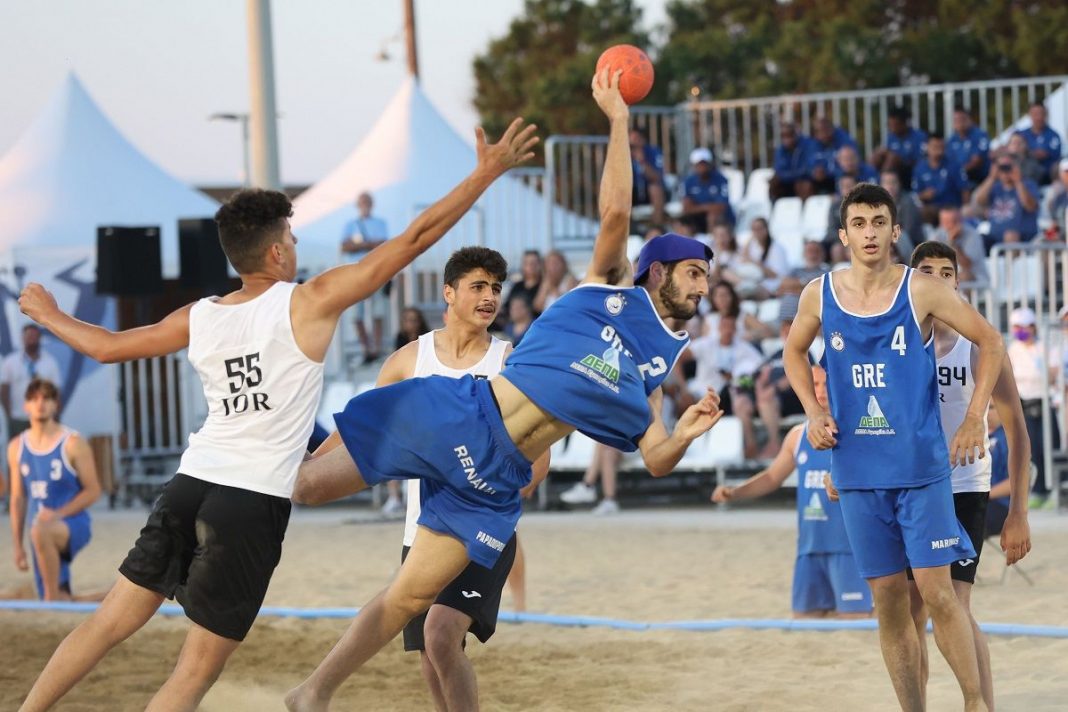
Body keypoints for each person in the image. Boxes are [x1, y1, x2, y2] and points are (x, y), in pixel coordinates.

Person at [14, 117, 538, 712]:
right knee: (192, 672)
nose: (293, 242)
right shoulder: (309, 302)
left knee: (106, 624)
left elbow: (106, 346)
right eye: (289, 234)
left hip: (188, 485)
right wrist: (485, 173)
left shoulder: (202, 314)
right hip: (249, 501)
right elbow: (416, 238)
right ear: (276, 250)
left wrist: (47, 313)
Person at [284, 70, 725, 711]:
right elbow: (615, 211)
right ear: (657, 271)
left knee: (418, 607)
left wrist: (682, 436)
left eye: (706, 277)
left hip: (495, 485)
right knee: (304, 487)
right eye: (693, 273)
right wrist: (620, 120)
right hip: (464, 417)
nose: (703, 286)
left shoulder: (655, 366)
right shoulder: (605, 290)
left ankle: (310, 693)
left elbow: (654, 457)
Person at [784, 181, 1009, 712]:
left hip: (920, 470)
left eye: (878, 223)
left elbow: (991, 340)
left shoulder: (922, 290)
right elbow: (793, 352)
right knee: (888, 605)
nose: (869, 233)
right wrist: (813, 412)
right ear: (843, 234)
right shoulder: (819, 293)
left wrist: (975, 416)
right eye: (858, 224)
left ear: (894, 230)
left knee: (939, 594)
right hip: (859, 473)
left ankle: (975, 703)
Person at [376, 246, 548, 712]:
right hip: (422, 530)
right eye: (478, 286)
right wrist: (310, 462)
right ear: (448, 293)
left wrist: (497, 491)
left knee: (440, 635)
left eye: (495, 288)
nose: (490, 296)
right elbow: (365, 429)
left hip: (480, 530)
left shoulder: (510, 363)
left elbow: (539, 459)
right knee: (430, 656)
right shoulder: (409, 361)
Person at [906, 241, 1032, 710]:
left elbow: (1019, 431)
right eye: (926, 270)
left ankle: (981, 705)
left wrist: (1018, 512)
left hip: (963, 484)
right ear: (912, 278)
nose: (937, 279)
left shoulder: (980, 346)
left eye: (946, 271)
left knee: (955, 605)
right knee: (910, 612)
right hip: (910, 483)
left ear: (958, 282)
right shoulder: (901, 340)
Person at [713, 365, 873, 619]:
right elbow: (772, 477)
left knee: (855, 622)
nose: (820, 392)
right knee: (805, 622)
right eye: (815, 385)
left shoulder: (863, 432)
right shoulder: (798, 435)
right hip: (809, 549)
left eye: (825, 384)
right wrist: (735, 492)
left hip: (850, 549)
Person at [8, 378, 100, 601]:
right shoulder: (16, 447)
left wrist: (57, 515)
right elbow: (18, 498)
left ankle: (50, 603)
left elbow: (94, 491)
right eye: (34, 398)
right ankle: (109, 597)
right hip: (39, 529)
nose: (40, 403)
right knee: (63, 596)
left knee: (41, 530)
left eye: (47, 398)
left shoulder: (73, 442)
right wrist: (18, 547)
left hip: (72, 523)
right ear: (26, 406)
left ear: (55, 404)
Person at [1006, 306, 1061, 507]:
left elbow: (1053, 374)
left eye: (1025, 326)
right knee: (1031, 449)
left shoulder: (1044, 347)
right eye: (1017, 327)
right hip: (1024, 404)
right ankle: (1037, 491)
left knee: (1050, 445)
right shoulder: (1012, 349)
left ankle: (1053, 489)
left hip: (1044, 403)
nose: (1022, 331)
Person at [340, 191, 391, 363]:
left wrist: (359, 245)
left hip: (375, 270)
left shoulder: (380, 223)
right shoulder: (350, 224)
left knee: (377, 311)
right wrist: (369, 244)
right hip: (357, 272)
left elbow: (383, 244)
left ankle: (375, 347)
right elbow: (345, 246)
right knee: (356, 314)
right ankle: (366, 347)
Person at [0, 324, 62, 436]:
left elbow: (56, 392)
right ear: (23, 338)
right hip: (18, 418)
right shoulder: (11, 362)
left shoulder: (50, 362)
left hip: (44, 417)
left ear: (39, 338)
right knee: (18, 451)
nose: (32, 339)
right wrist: (9, 415)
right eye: (29, 336)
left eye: (35, 336)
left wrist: (55, 416)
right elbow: (4, 391)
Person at [972, 155, 1040, 249]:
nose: (1005, 171)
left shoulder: (1028, 185)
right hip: (994, 238)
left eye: (1008, 167)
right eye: (1001, 167)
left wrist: (1018, 181)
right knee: (975, 239)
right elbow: (980, 200)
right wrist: (991, 177)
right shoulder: (994, 187)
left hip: (1022, 238)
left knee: (1010, 236)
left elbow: (1030, 206)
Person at [912, 133, 969, 224]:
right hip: (929, 209)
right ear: (927, 147)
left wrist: (963, 210)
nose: (939, 150)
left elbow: (964, 190)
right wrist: (924, 195)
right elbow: (916, 195)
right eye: (935, 146)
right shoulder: (920, 168)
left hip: (951, 209)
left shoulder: (954, 166)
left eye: (941, 146)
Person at [681, 147, 735, 234]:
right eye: (699, 164)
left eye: (704, 164)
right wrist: (707, 207)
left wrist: (697, 207)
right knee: (682, 221)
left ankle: (711, 243)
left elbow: (721, 207)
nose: (702, 167)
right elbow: (686, 208)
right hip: (698, 218)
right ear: (694, 165)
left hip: (722, 218)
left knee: (712, 216)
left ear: (710, 164)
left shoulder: (720, 179)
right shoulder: (688, 181)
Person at [871, 106, 927, 186]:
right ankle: (871, 183)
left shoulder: (919, 136)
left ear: (904, 124)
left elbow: (921, 160)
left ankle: (882, 186)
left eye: (895, 125)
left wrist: (899, 159)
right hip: (894, 171)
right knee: (876, 155)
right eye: (889, 125)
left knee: (892, 158)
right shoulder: (891, 137)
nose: (892, 128)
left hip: (910, 171)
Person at [931, 206, 988, 284]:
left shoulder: (972, 235)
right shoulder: (937, 235)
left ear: (960, 221)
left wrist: (952, 243)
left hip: (976, 279)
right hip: (946, 276)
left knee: (963, 277)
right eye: (945, 222)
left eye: (953, 221)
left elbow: (967, 265)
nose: (948, 225)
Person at [1014, 102, 1063, 185]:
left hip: (1046, 176)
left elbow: (1045, 154)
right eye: (1035, 114)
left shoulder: (1053, 135)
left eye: (1041, 113)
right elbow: (1011, 148)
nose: (1038, 117)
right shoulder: (1021, 133)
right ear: (1029, 115)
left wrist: (1026, 151)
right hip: (1023, 173)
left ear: (1045, 115)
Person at [630, 127, 667, 224]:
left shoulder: (653, 152)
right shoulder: (626, 154)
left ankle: (656, 227)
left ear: (643, 140)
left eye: (636, 140)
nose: (633, 144)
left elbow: (656, 177)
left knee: (655, 188)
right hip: (633, 191)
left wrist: (641, 161)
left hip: (650, 191)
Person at [769, 122, 814, 201]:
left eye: (789, 135)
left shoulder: (806, 145)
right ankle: (774, 207)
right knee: (774, 182)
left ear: (795, 135)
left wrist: (793, 175)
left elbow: (807, 169)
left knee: (803, 185)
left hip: (802, 179)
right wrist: (792, 175)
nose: (786, 139)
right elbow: (779, 170)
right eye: (783, 136)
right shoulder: (780, 150)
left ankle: (804, 210)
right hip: (789, 181)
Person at [948, 107, 990, 187]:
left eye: (962, 119)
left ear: (969, 120)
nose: (959, 123)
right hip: (959, 179)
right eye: (956, 120)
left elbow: (977, 161)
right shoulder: (952, 139)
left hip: (979, 179)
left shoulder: (979, 135)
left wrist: (958, 172)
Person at [1042, 158, 1068, 240]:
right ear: (1060, 174)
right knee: (1041, 242)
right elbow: (1054, 223)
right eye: (1066, 172)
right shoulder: (1057, 195)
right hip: (1061, 234)